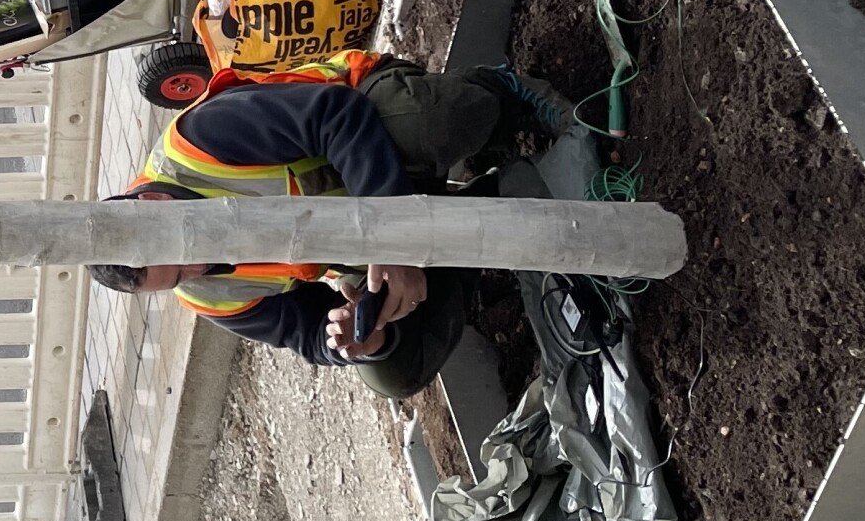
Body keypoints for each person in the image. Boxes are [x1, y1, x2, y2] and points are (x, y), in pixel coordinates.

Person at [89, 49, 573, 399]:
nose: (194, 269)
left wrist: (392, 242)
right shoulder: (207, 294)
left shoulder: (200, 143)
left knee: (440, 120)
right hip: (382, 229)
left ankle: (500, 91)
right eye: (176, 279)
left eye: (179, 259)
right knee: (391, 375)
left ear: (152, 199)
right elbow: (303, 333)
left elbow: (338, 116)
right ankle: (486, 206)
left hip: (377, 119)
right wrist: (357, 340)